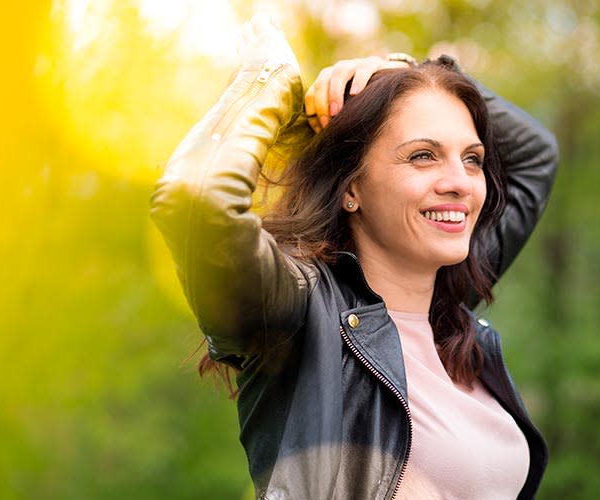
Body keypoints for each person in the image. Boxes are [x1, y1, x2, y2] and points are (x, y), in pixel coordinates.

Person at [151, 16, 558, 500]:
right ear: (352, 188)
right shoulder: (299, 315)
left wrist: (411, 73)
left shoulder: (448, 308)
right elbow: (195, 202)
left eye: (471, 158)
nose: (459, 182)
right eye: (423, 156)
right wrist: (270, 82)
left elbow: (535, 158)